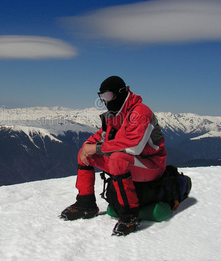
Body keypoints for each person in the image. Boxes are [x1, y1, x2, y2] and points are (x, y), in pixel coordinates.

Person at [60, 76, 167, 236]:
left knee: (118, 159)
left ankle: (129, 216)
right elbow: (103, 136)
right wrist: (87, 148)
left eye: (108, 97)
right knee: (83, 154)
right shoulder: (115, 115)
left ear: (121, 93)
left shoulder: (140, 112)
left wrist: (95, 149)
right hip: (132, 163)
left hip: (152, 164)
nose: (105, 101)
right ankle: (86, 204)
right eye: (101, 97)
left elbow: (133, 146)